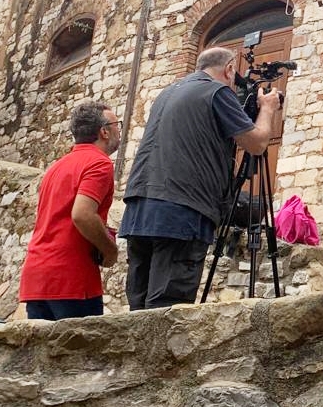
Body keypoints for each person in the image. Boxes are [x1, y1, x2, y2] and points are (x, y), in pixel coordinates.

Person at [119, 47, 281, 310]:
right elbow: (257, 144)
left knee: (138, 305)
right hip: (180, 213)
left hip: (139, 211)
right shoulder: (216, 92)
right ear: (229, 69)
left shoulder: (166, 94)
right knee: (167, 308)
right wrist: (267, 109)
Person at [19, 101, 121, 320]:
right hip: (71, 278)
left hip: (37, 276)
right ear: (103, 132)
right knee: (83, 354)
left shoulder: (57, 166)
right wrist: (110, 249)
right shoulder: (99, 163)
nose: (119, 130)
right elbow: (82, 214)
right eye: (116, 124)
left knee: (40, 353)